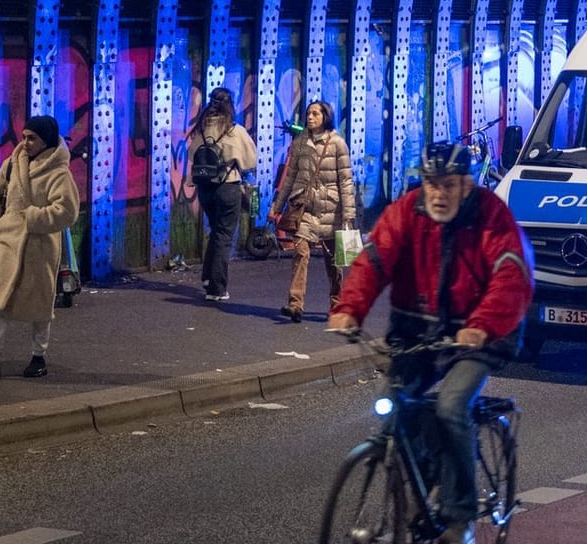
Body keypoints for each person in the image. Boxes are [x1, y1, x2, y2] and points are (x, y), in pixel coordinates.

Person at [328, 141, 534, 544]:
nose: (439, 193)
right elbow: (375, 259)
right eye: (431, 184)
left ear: (467, 185)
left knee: (451, 405)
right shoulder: (406, 213)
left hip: (480, 336)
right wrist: (350, 308)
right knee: (394, 411)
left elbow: (512, 275)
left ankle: (460, 517)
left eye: (448, 185)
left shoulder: (491, 217)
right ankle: (421, 492)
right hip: (418, 335)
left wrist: (481, 325)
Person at [0, 116, 78, 379]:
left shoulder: (59, 173)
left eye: (32, 138)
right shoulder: (11, 165)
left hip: (38, 247)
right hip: (8, 244)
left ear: (46, 140)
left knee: (40, 307)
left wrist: (32, 217)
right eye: (24, 137)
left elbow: (66, 211)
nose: (26, 143)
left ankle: (38, 356)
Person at [271, 100, 355, 322]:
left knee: (333, 261)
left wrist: (348, 215)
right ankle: (295, 304)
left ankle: (337, 304)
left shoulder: (337, 144)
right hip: (305, 207)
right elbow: (290, 177)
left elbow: (345, 181)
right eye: (309, 113)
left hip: (331, 209)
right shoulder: (300, 143)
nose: (310, 117)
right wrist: (277, 207)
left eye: (315, 114)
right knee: (301, 252)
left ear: (325, 117)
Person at [185, 88, 256, 302]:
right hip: (228, 187)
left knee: (216, 231)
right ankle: (216, 288)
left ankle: (207, 278)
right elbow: (251, 159)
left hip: (205, 188)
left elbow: (191, 156)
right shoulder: (235, 130)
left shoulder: (201, 129)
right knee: (224, 236)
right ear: (230, 105)